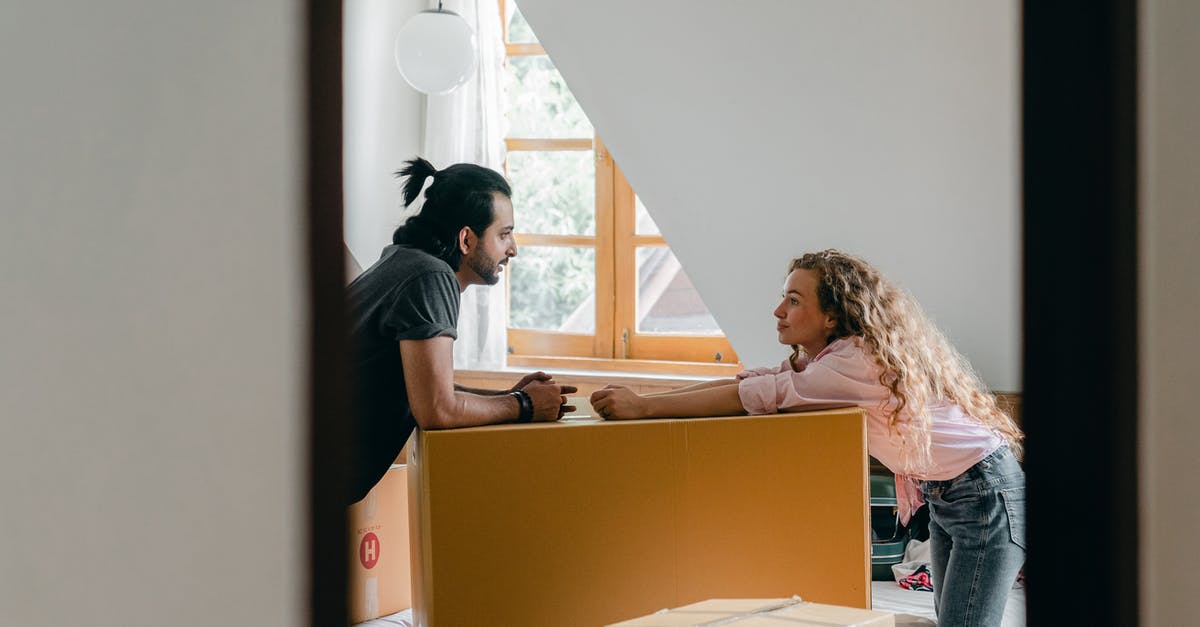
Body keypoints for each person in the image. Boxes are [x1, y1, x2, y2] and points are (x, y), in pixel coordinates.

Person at [590, 249, 1025, 627]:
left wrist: (645, 407)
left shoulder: (853, 364)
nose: (778, 311)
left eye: (793, 300)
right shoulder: (829, 360)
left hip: (983, 494)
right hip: (955, 492)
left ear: (832, 315)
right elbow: (754, 381)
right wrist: (645, 400)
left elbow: (753, 396)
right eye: (783, 298)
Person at [347, 157, 575, 504]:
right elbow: (436, 409)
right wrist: (524, 405)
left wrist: (504, 397)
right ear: (466, 240)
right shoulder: (429, 276)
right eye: (504, 234)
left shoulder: (404, 261)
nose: (513, 249)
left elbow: (426, 389)